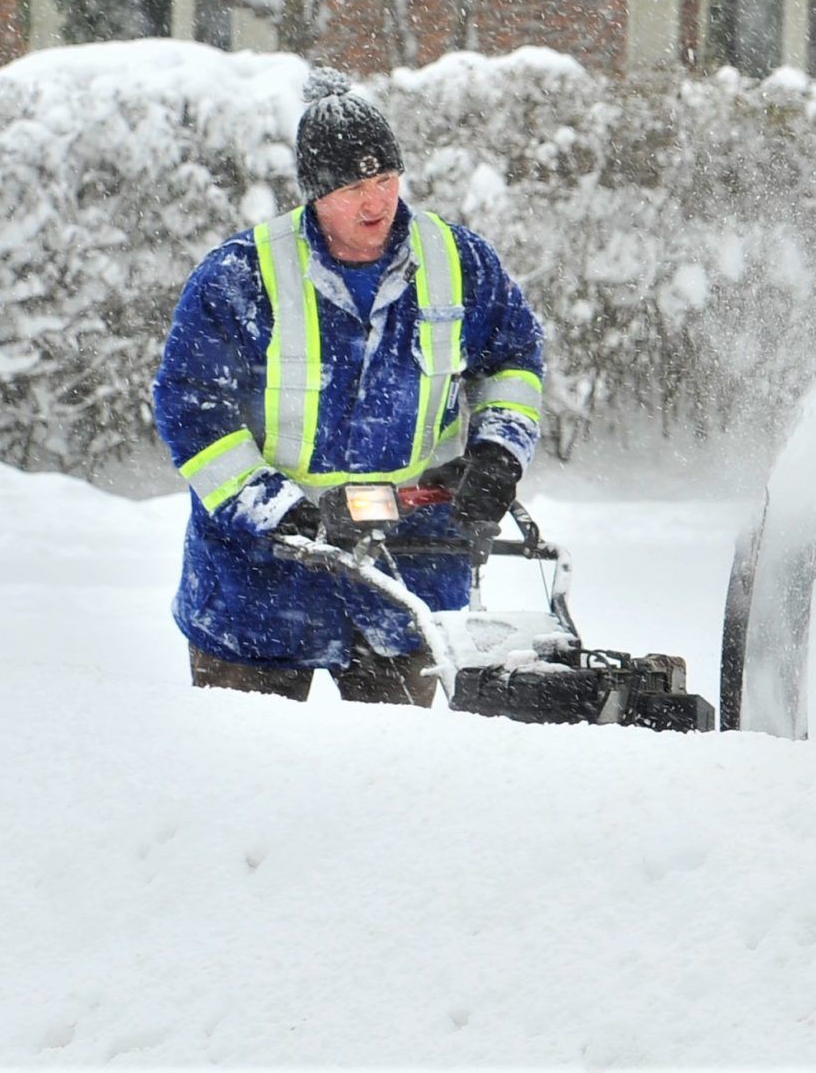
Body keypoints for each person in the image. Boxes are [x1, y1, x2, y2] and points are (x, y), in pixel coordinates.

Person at [153, 69, 545, 704]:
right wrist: (272, 508)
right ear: (313, 194)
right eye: (355, 188)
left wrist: (499, 452)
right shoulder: (242, 275)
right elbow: (190, 405)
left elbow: (514, 360)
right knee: (244, 781)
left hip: (409, 568)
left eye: (387, 180)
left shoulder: (458, 262)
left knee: (394, 783)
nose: (376, 203)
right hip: (261, 583)